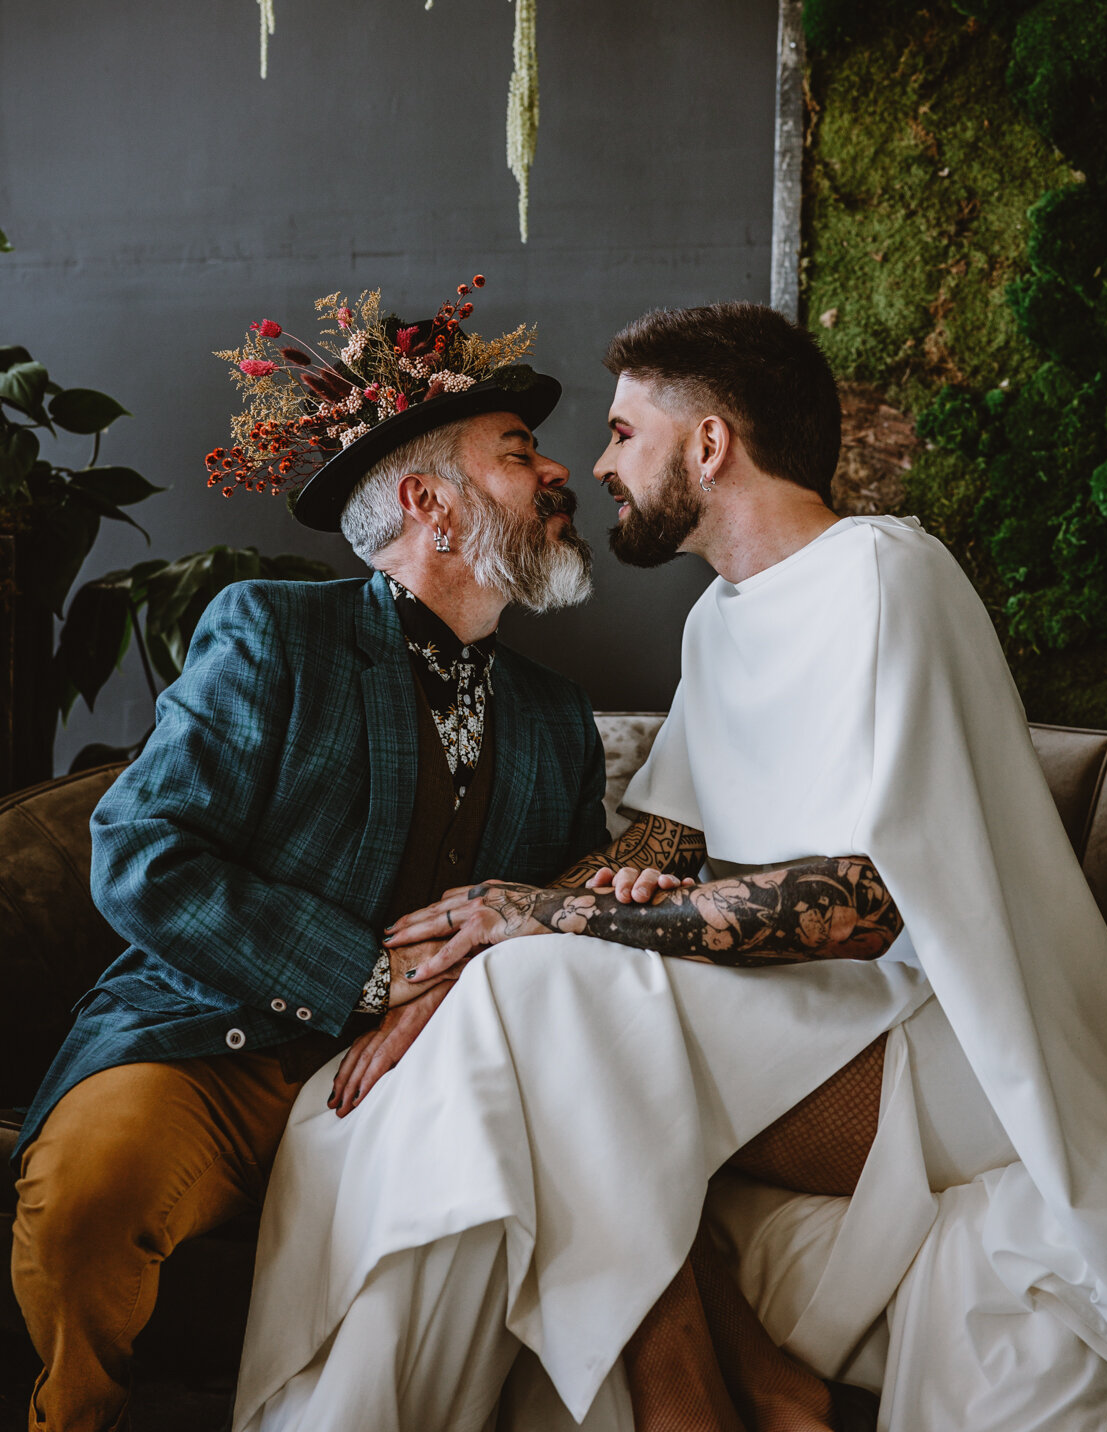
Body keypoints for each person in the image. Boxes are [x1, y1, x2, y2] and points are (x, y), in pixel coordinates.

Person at [232, 301, 1107, 1432]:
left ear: (708, 446)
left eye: (624, 433)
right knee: (449, 1033)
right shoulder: (720, 621)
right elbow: (662, 843)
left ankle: (679, 1406)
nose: (598, 467)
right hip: (813, 1020)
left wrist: (540, 920)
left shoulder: (884, 576)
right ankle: (696, 1387)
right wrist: (461, 951)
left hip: (955, 1042)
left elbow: (861, 908)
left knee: (536, 988)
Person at [11, 278, 638, 1432]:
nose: (559, 474)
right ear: (428, 504)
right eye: (517, 454)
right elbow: (142, 849)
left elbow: (563, 905)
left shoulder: (554, 712)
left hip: (436, 1079)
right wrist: (363, 971)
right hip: (213, 1046)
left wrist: (450, 994)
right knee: (88, 1200)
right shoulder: (274, 633)